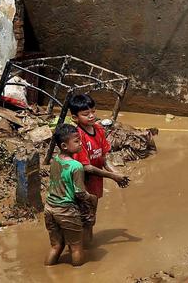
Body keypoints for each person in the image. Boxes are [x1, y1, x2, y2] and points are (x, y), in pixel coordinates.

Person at [67, 93, 129, 247]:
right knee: (83, 218)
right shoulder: (77, 137)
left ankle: (86, 247)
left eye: (93, 112)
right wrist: (113, 177)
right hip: (80, 184)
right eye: (85, 114)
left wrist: (116, 173)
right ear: (75, 117)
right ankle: (82, 249)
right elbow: (86, 167)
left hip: (95, 182)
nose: (91, 116)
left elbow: (104, 158)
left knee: (91, 217)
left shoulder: (99, 129)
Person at [44, 123, 96, 267]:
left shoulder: (55, 160)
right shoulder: (76, 166)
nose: (81, 144)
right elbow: (79, 193)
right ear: (64, 146)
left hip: (49, 208)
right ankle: (78, 275)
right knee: (76, 247)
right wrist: (91, 199)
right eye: (77, 141)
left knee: (56, 246)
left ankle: (48, 270)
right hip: (66, 210)